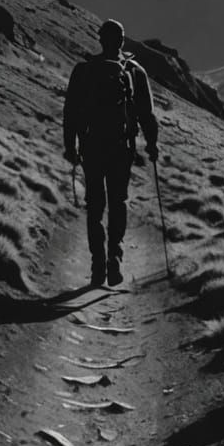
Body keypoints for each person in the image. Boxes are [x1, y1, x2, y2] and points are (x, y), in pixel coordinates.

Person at [63, 19, 157, 287]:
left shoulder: (83, 71)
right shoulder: (134, 72)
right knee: (119, 201)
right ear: (122, 41)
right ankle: (115, 255)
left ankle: (97, 265)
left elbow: (70, 112)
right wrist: (152, 144)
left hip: (92, 147)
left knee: (95, 205)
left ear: (100, 39)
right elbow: (147, 114)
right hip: (121, 148)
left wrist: (70, 146)